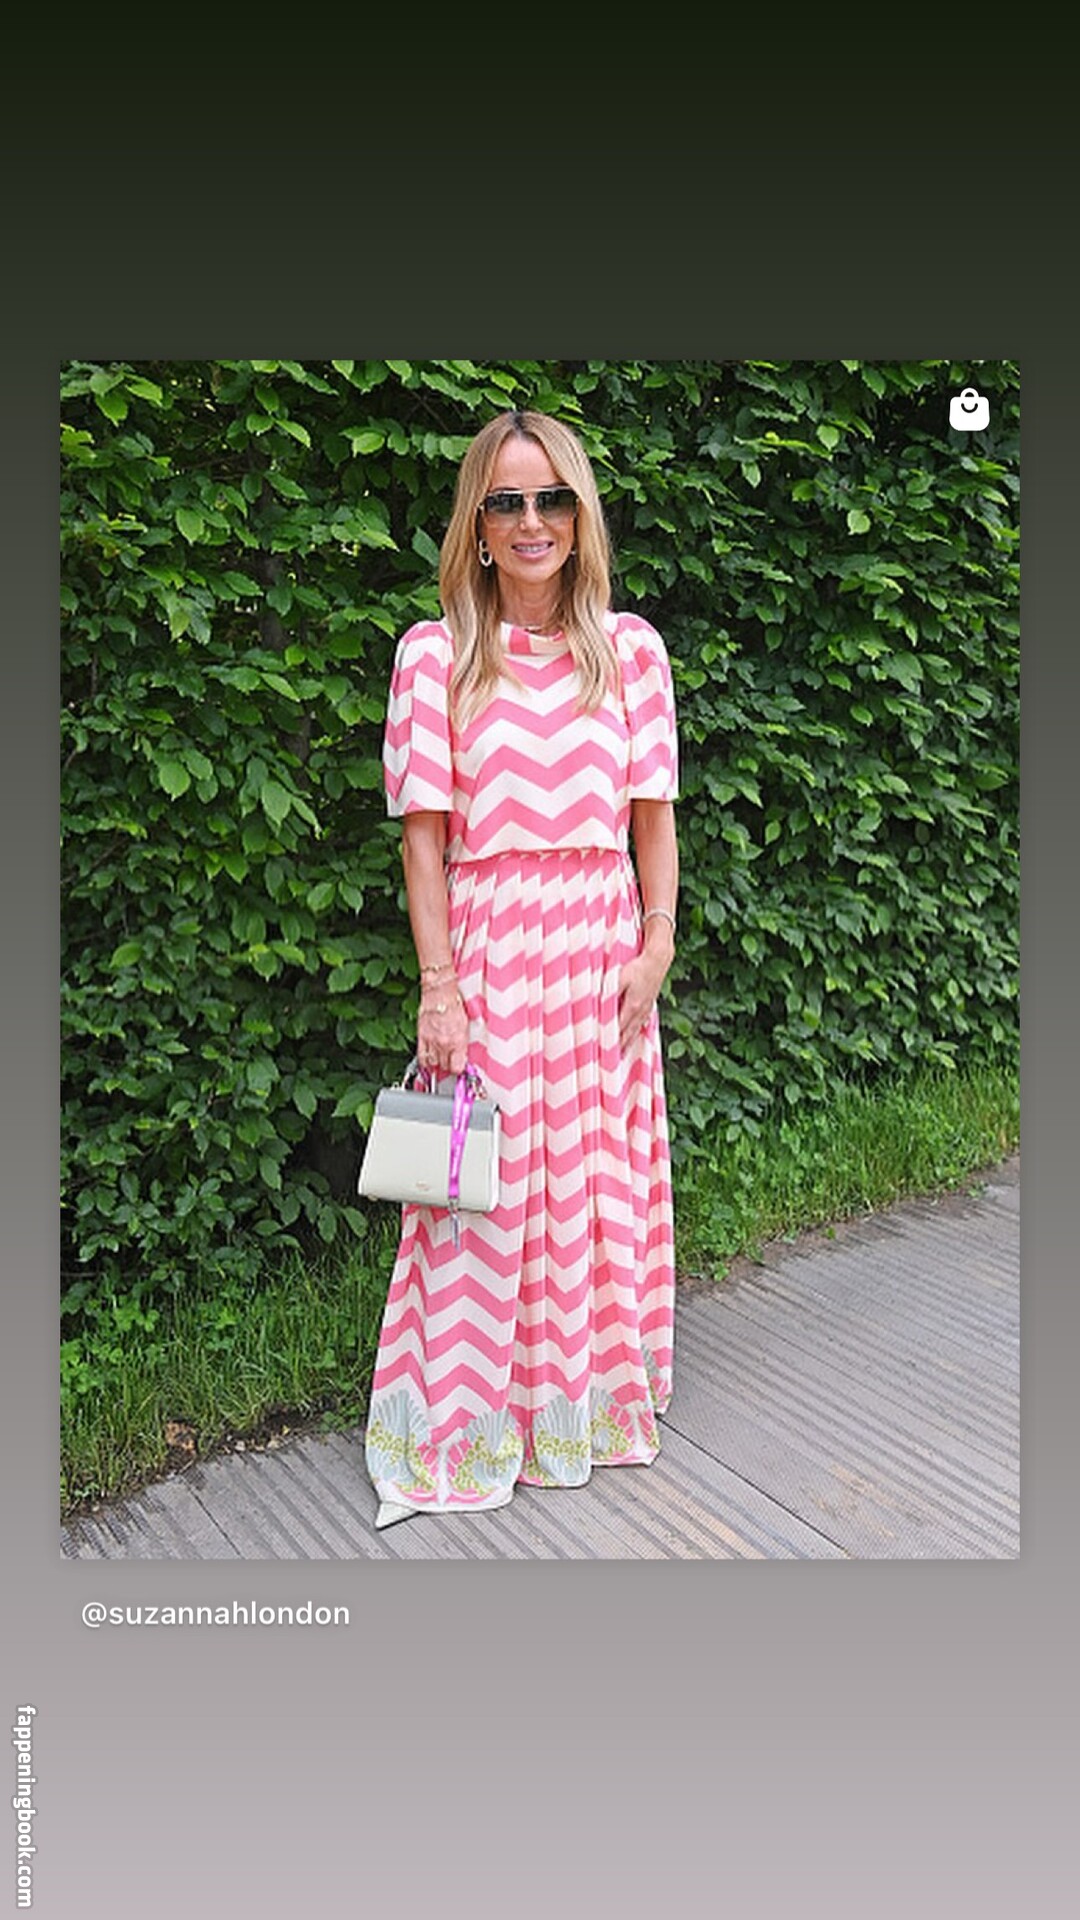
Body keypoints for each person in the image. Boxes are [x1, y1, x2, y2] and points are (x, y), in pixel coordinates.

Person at [364, 409, 679, 1529]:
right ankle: (466, 1419)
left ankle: (582, 1407)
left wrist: (657, 942)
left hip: (601, 955)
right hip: (492, 953)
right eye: (507, 501)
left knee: (594, 1189)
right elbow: (423, 843)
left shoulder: (632, 651)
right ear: (478, 525)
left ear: (580, 518)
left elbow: (652, 818)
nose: (532, 520)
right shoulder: (435, 654)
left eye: (552, 499)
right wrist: (438, 986)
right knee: (482, 1200)